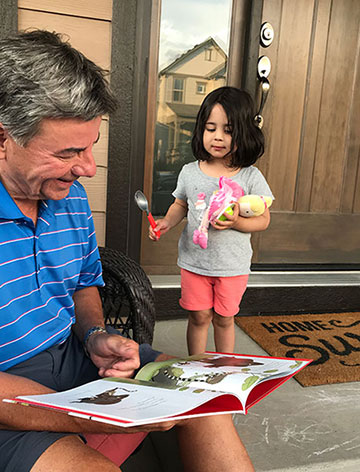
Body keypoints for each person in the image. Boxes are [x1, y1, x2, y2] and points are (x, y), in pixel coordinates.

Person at [0, 30, 255, 472]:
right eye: (69, 152)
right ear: (4, 138)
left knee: (204, 396)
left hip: (75, 361)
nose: (87, 168)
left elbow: (83, 285)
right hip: (11, 397)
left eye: (91, 146)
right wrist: (91, 413)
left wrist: (95, 335)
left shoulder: (69, 196)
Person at [149, 87, 274, 355]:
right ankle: (197, 366)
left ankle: (223, 367)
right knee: (198, 317)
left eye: (228, 130)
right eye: (210, 128)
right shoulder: (189, 172)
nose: (218, 137)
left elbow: (263, 219)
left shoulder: (250, 176)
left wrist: (237, 223)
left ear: (244, 133)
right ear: (200, 131)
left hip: (232, 265)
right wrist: (167, 223)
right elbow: (180, 205)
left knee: (224, 319)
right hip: (195, 262)